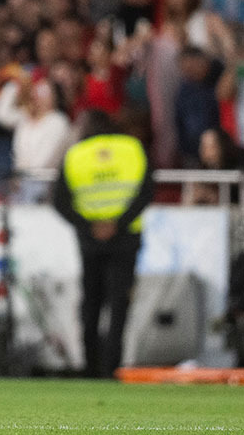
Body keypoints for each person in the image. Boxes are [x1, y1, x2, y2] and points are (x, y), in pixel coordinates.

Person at [52, 111, 154, 378]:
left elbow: (59, 201)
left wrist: (89, 227)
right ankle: (113, 367)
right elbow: (147, 192)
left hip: (90, 241)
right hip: (126, 238)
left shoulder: (76, 155)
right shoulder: (132, 148)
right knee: (119, 304)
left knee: (91, 303)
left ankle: (90, 366)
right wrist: (118, 224)